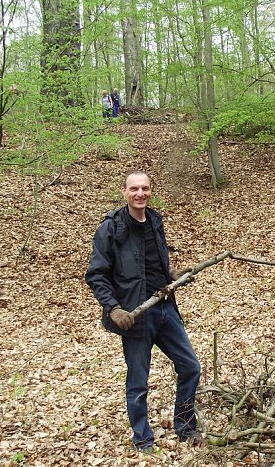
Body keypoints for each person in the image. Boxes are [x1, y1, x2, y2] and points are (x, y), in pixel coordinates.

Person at [85, 171, 203, 452]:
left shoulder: (155, 221)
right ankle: (142, 438)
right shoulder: (111, 228)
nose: (140, 194)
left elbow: (151, 263)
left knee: (190, 367)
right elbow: (96, 274)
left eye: (145, 189)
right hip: (135, 315)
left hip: (164, 306)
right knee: (138, 380)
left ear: (151, 191)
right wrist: (113, 308)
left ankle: (185, 427)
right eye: (134, 189)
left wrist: (172, 274)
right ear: (124, 192)